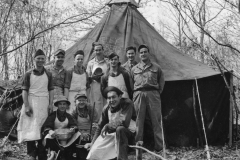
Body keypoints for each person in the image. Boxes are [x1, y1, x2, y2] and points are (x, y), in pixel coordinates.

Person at [17, 49, 54, 160]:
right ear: (34, 60)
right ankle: (31, 154)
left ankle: (42, 154)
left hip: (44, 103)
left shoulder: (48, 74)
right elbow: (24, 91)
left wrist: (51, 104)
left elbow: (51, 90)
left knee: (42, 128)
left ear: (45, 60)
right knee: (31, 128)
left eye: (42, 59)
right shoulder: (28, 74)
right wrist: (27, 105)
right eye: (38, 58)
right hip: (31, 102)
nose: (40, 61)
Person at [85, 86, 136, 160]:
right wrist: (92, 143)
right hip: (113, 133)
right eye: (109, 98)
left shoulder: (127, 103)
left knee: (120, 129)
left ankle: (122, 158)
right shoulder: (106, 108)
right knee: (95, 151)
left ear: (120, 96)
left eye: (113, 97)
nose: (111, 100)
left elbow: (124, 122)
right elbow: (100, 126)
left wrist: (108, 126)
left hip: (129, 134)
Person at [131, 44, 165, 153]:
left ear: (148, 53)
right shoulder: (134, 69)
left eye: (145, 52)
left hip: (153, 94)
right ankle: (138, 147)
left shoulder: (156, 67)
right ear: (139, 55)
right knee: (139, 121)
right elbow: (131, 84)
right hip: (139, 94)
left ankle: (159, 147)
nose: (143, 54)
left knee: (156, 121)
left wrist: (155, 93)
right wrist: (137, 93)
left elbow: (161, 82)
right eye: (141, 52)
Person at [41, 95, 80, 160]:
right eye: (60, 104)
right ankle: (55, 152)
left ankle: (71, 153)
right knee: (48, 136)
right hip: (55, 138)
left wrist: (73, 129)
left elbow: (74, 125)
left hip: (66, 138)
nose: (62, 106)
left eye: (64, 104)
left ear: (67, 105)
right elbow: (46, 126)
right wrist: (50, 131)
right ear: (57, 105)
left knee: (78, 134)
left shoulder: (68, 116)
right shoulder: (53, 115)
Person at [86, 42, 108, 120]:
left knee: (107, 105)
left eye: (99, 50)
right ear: (94, 51)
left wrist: (104, 78)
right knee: (97, 105)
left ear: (103, 50)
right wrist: (94, 77)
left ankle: (106, 123)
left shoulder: (107, 62)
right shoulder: (90, 63)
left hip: (106, 86)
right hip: (95, 87)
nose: (98, 52)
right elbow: (88, 77)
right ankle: (96, 124)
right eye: (96, 50)